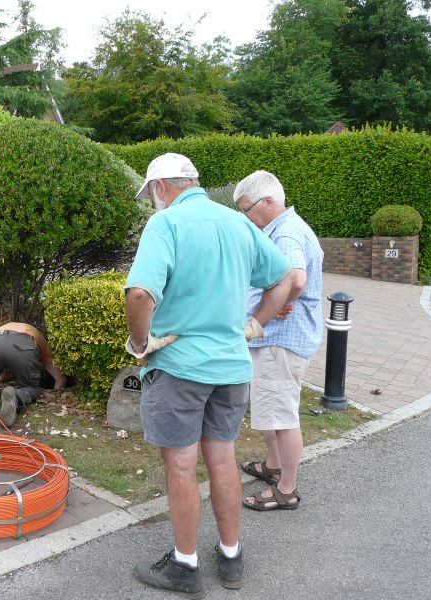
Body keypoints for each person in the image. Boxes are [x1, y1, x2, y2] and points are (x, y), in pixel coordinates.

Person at [125, 153, 298, 597]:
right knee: (222, 458)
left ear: (161, 188)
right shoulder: (237, 223)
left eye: (152, 195)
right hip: (231, 367)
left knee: (182, 465)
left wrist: (141, 344)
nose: (153, 202)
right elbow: (288, 280)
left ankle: (185, 567)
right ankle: (231, 555)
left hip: (181, 366)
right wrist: (255, 323)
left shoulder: (166, 225)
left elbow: (140, 291)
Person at [233, 170, 323, 511]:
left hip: (279, 341)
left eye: (247, 209)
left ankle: (287, 489)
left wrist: (277, 304)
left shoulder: (285, 232)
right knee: (271, 409)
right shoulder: (285, 228)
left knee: (283, 416)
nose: (245, 216)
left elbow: (296, 277)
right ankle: (273, 466)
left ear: (268, 201)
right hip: (275, 342)